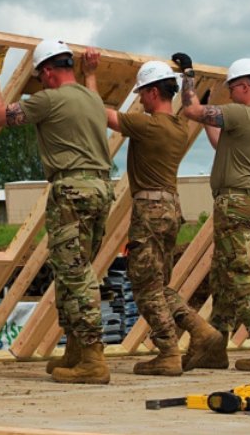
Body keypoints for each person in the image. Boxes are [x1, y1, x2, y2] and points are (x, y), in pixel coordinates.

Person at [0, 38, 114, 384]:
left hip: (72, 190)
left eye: (40, 77)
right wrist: (92, 74)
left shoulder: (49, 100)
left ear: (49, 72)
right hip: (100, 188)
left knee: (75, 273)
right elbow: (90, 94)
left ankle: (94, 358)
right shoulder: (91, 98)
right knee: (73, 270)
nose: (40, 82)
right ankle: (77, 352)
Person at [82, 50, 223, 376]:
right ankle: (201, 332)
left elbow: (97, 112)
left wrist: (90, 74)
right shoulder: (176, 126)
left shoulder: (148, 125)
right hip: (171, 208)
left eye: (142, 93)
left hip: (150, 210)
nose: (140, 100)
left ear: (153, 91)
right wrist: (188, 73)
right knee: (157, 284)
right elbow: (189, 102)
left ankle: (168, 352)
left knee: (144, 286)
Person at [176, 54, 250, 371]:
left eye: (232, 88)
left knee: (237, 274)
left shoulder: (243, 113)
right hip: (243, 202)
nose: (229, 94)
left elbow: (192, 111)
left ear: (246, 86)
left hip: (234, 203)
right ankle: (216, 347)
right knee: (223, 277)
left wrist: (189, 77)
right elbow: (218, 139)